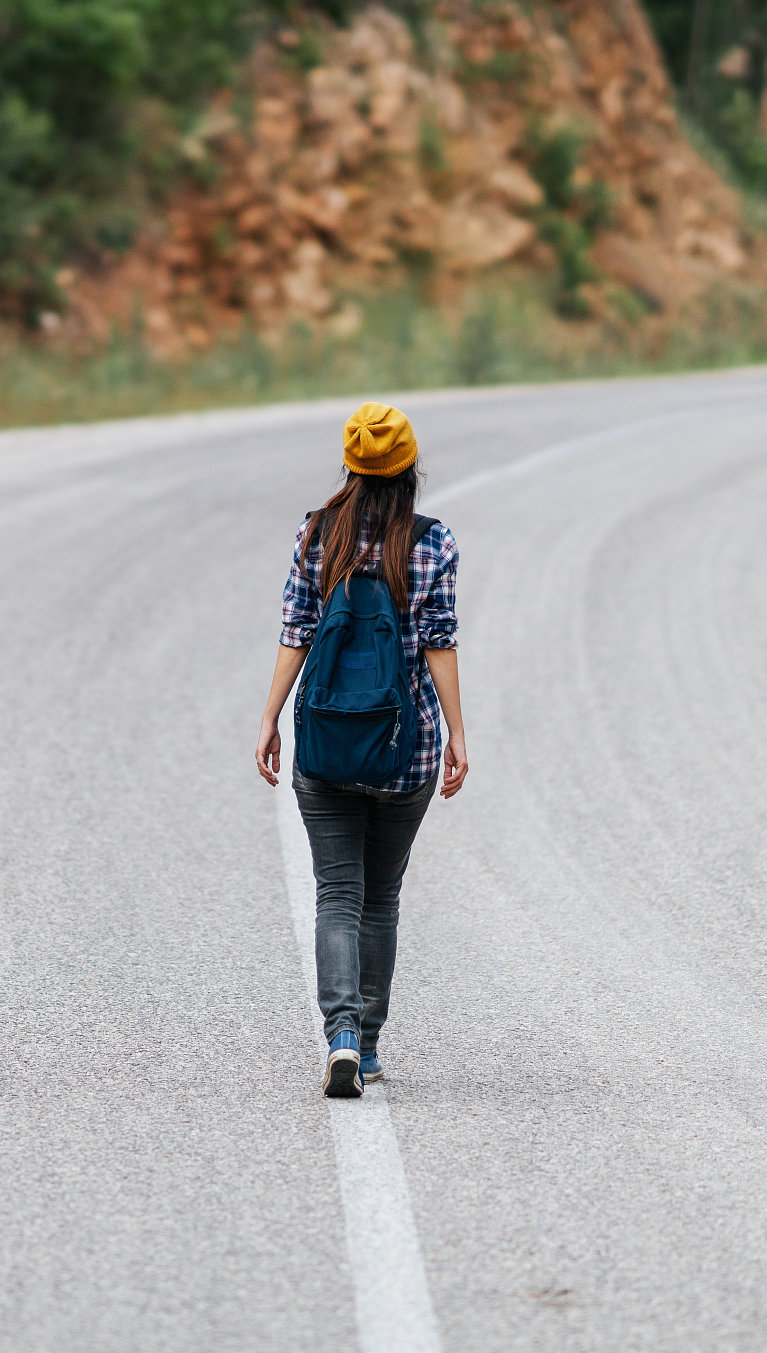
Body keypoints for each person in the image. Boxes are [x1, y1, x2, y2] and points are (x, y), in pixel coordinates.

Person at [255, 401, 467, 1098]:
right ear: (409, 470)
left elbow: (296, 630)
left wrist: (270, 717)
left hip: (326, 746)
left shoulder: (316, 538)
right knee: (380, 897)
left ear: (350, 466)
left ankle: (340, 1036)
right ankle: (368, 1046)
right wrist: (457, 732)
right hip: (404, 752)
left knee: (336, 893)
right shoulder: (433, 544)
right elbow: (438, 640)